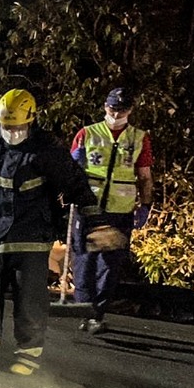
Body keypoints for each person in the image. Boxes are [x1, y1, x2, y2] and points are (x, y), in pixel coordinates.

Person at [0, 89, 119, 375]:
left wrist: (97, 223)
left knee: (29, 298)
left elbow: (75, 183)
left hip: (31, 235)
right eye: (6, 126)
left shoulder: (46, 150)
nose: (11, 132)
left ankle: (27, 355)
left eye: (17, 127)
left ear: (31, 121)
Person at [69, 87, 154, 334]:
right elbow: (69, 170)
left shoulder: (138, 138)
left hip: (120, 210)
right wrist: (74, 167)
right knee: (84, 260)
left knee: (110, 265)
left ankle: (97, 313)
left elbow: (145, 176)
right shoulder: (87, 134)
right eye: (112, 108)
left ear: (130, 110)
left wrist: (145, 205)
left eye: (122, 109)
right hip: (89, 207)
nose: (116, 113)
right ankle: (84, 310)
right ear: (105, 106)